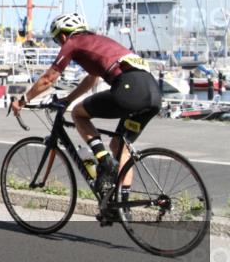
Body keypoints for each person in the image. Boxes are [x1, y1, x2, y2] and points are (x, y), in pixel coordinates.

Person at [10, 12, 161, 223]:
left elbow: (48, 78)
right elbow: (92, 79)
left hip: (129, 88)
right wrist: (68, 98)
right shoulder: (100, 41)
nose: (59, 43)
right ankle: (121, 206)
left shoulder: (73, 42)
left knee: (78, 114)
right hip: (152, 93)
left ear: (63, 35)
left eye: (57, 39)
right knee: (120, 146)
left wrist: (23, 100)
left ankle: (103, 161)